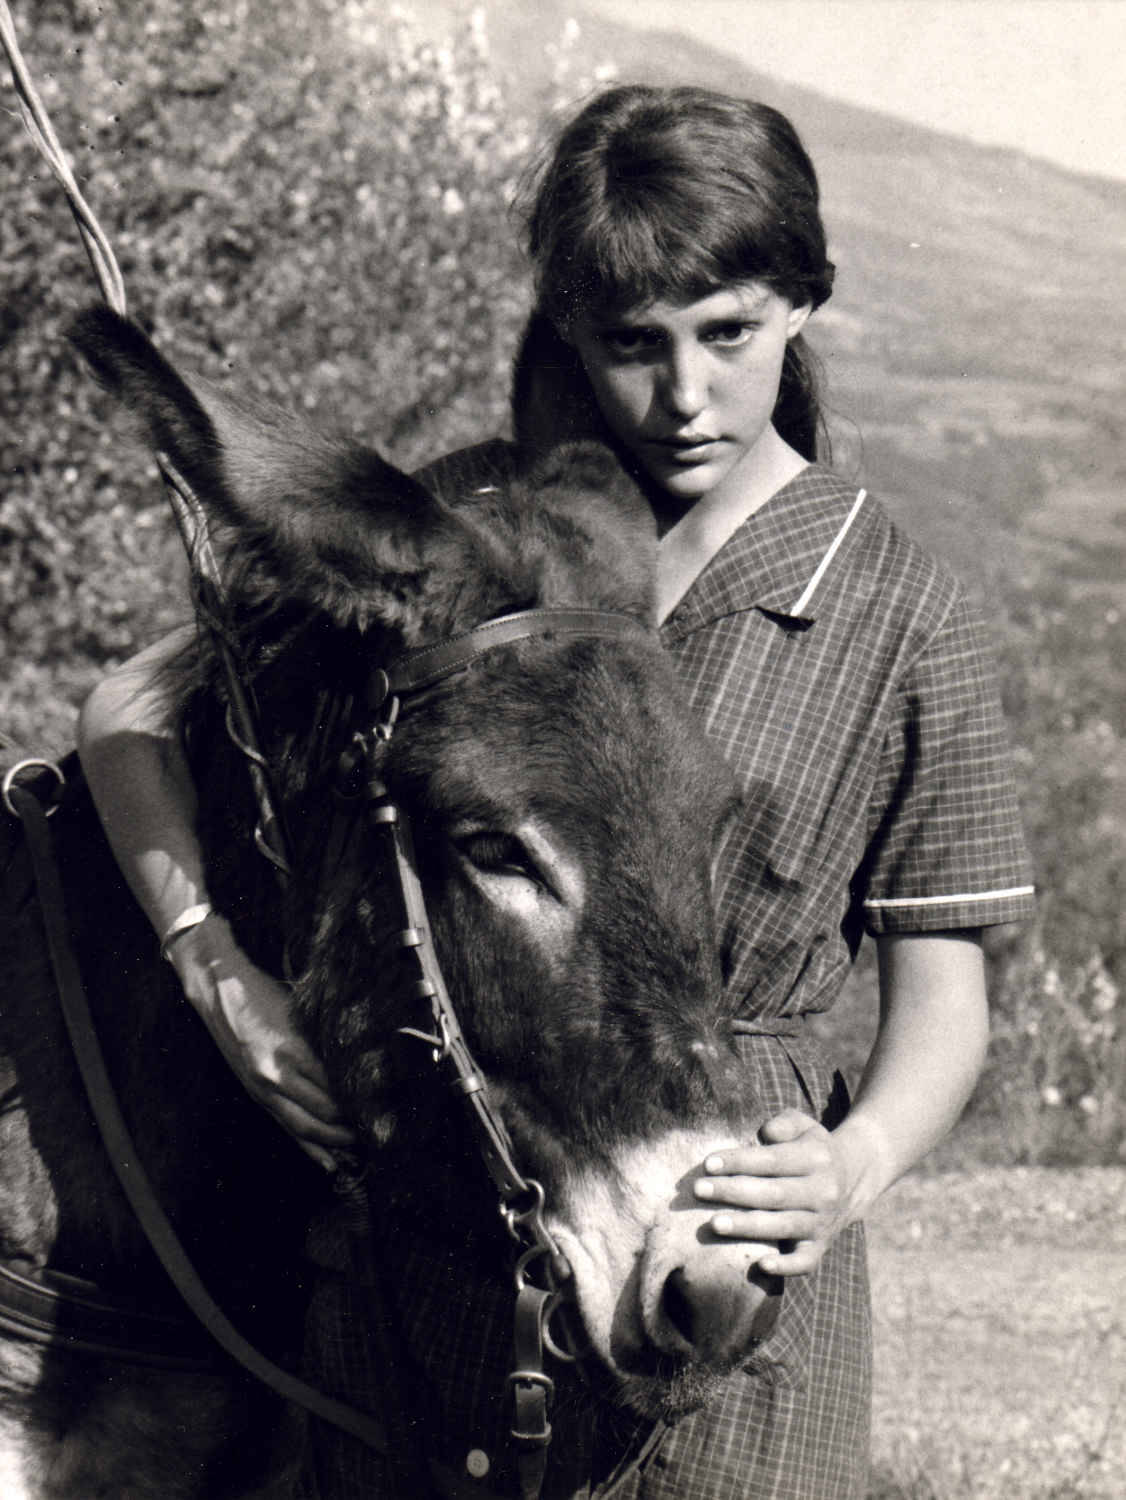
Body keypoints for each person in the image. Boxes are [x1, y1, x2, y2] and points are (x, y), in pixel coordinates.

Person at [78, 84, 1035, 1498]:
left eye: (729, 334)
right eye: (630, 346)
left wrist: (852, 1164)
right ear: (567, 338)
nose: (685, 395)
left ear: (803, 305)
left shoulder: (899, 609)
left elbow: (941, 1000)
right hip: (447, 1267)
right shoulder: (468, 535)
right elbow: (125, 714)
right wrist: (219, 973)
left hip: (738, 1262)